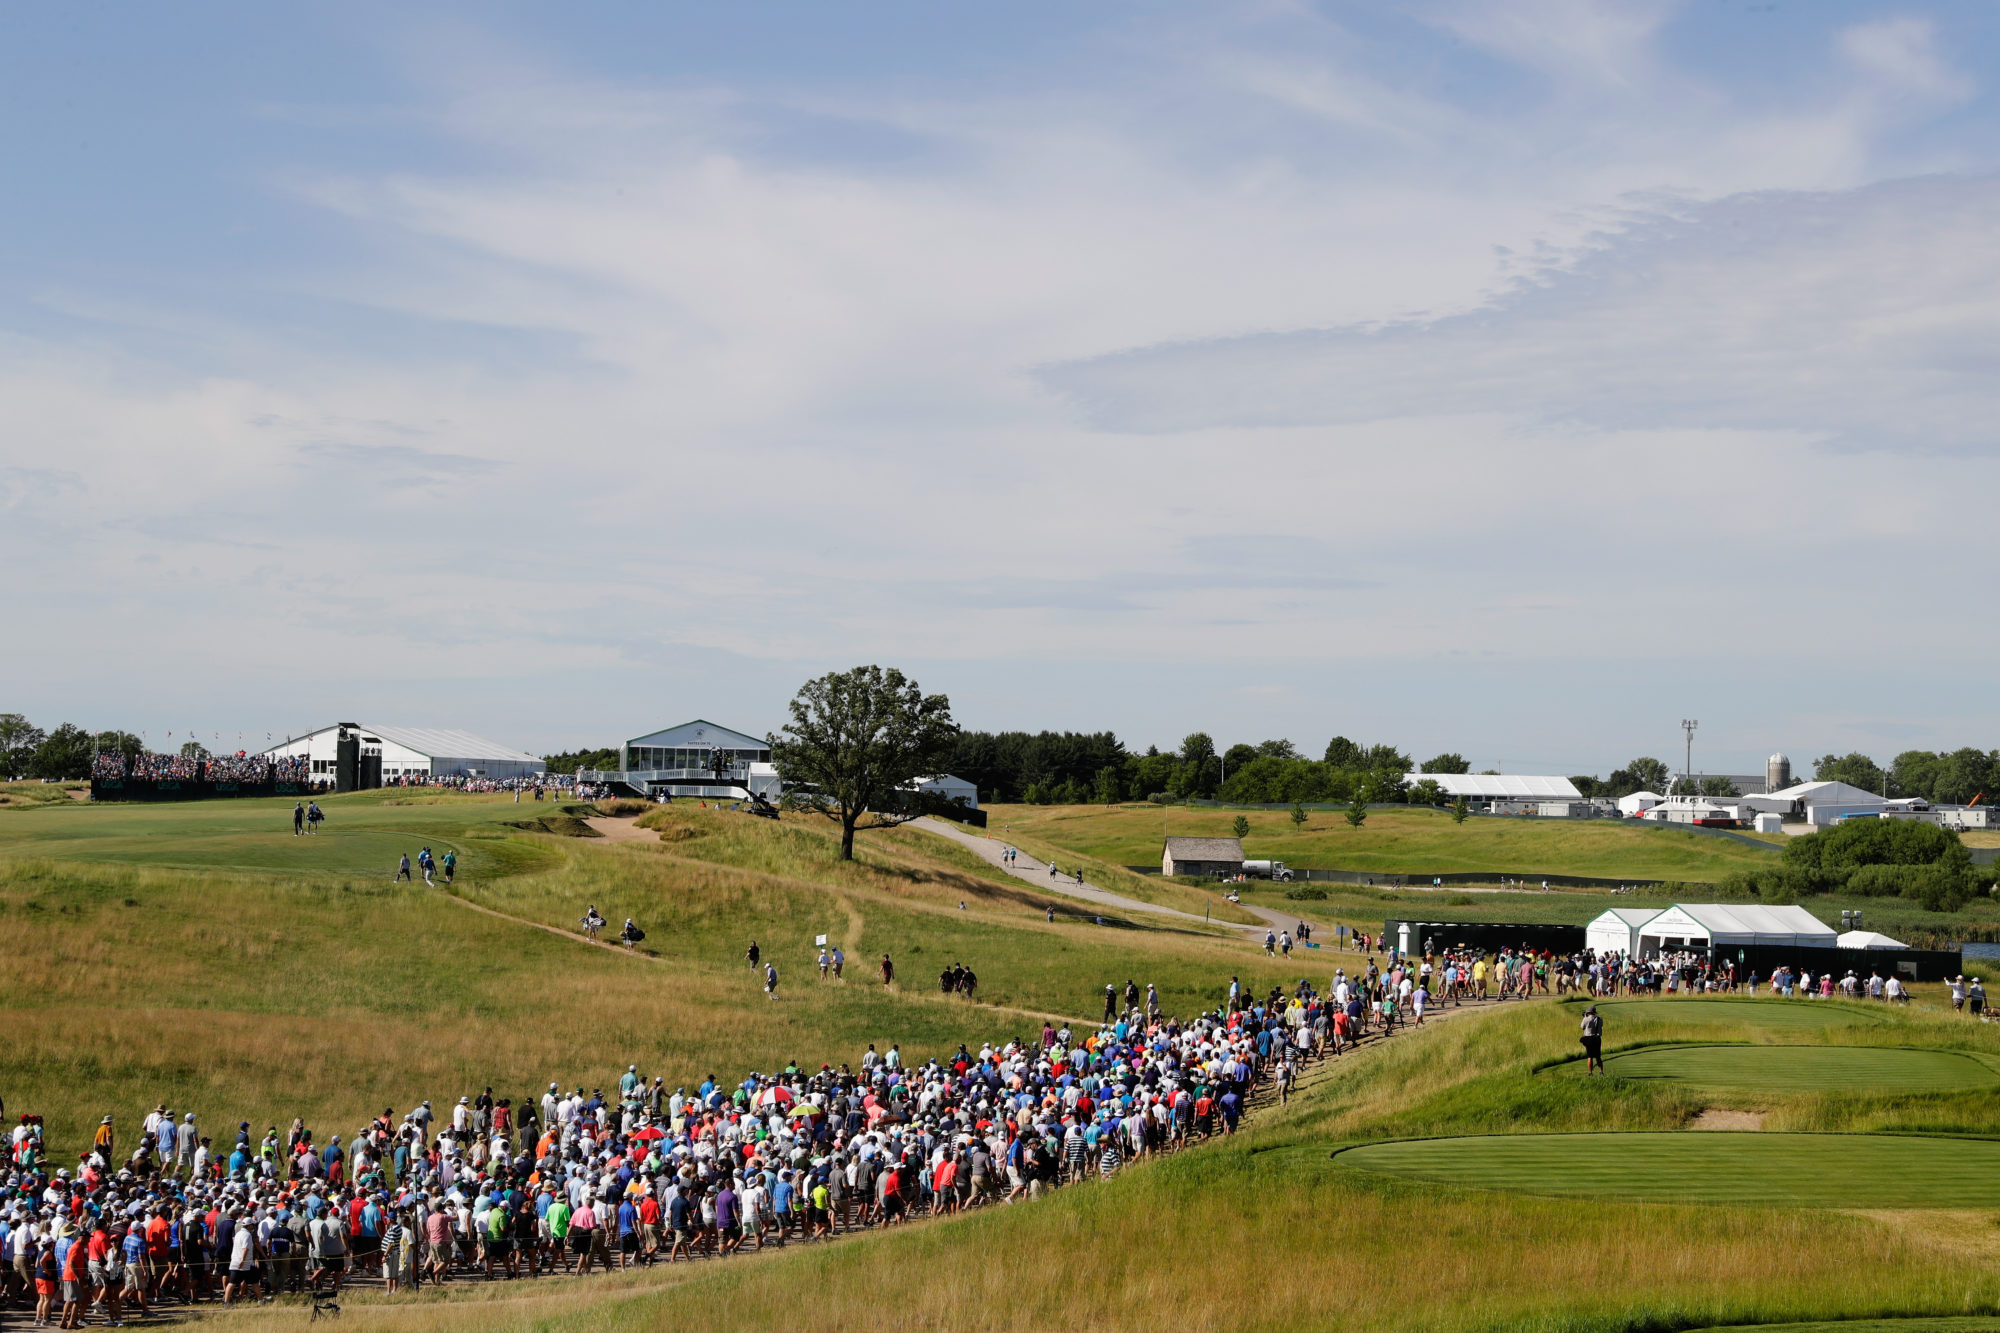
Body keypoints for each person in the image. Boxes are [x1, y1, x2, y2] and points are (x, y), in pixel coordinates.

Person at [1580, 1005, 1604, 1073]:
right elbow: (1600, 1026)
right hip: (1597, 1038)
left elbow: (1582, 1027)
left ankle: (1590, 1073)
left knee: (1590, 1057)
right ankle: (1601, 1072)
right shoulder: (1600, 1019)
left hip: (1589, 1038)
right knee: (1598, 1057)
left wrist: (1585, 1017)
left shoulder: (1586, 1019)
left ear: (1588, 1012)